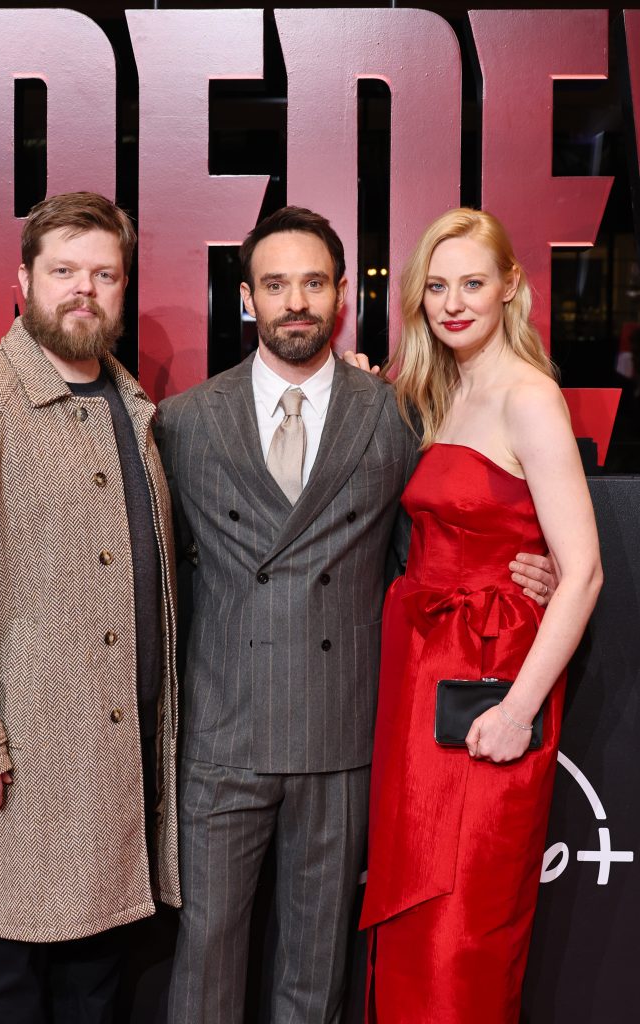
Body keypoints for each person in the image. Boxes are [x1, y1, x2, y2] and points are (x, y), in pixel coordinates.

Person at [154, 206, 556, 1024]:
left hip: (343, 735)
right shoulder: (184, 423)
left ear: (342, 295)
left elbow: (439, 538)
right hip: (221, 737)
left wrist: (524, 568)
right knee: (204, 971)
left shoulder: (396, 414)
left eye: (312, 283)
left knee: (317, 974)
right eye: (274, 284)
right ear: (246, 299)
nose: (294, 301)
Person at [0, 191, 180, 1023]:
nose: (84, 289)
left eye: (104, 274)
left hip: (113, 777)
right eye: (63, 271)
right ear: (23, 281)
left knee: (94, 992)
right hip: (15, 775)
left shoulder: (132, 408)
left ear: (123, 289)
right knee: (3, 993)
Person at [359, 208, 603, 1023]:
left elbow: (581, 573)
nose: (453, 303)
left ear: (510, 288)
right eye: (435, 286)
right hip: (420, 674)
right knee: (413, 916)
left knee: (460, 929)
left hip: (488, 682)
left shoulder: (529, 397)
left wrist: (516, 710)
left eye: (471, 283)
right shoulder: (436, 389)